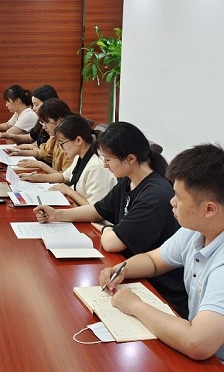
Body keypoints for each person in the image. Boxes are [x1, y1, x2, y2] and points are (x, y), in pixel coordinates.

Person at [99, 144, 224, 371]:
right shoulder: (201, 228)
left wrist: (135, 305)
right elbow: (154, 261)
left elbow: (197, 343)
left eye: (178, 197)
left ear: (210, 209)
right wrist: (122, 269)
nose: (172, 202)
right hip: (208, 351)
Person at [34, 121, 188, 318]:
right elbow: (98, 210)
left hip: (159, 289)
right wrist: (57, 215)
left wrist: (106, 229)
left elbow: (113, 243)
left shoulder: (154, 194)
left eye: (108, 160)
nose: (105, 165)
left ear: (130, 159)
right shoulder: (128, 180)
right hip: (130, 271)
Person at [47, 115, 117, 206]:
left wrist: (69, 191)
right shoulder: (80, 156)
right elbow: (64, 177)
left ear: (78, 140)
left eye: (62, 144)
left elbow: (94, 208)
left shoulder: (97, 166)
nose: (61, 149)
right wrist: (35, 177)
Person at [12, 99, 75, 183]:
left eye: (46, 122)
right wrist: (19, 152)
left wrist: (40, 165)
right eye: (42, 123)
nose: (43, 127)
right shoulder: (55, 136)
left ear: (59, 121)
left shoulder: (71, 142)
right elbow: (42, 153)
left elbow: (65, 179)